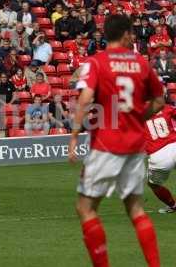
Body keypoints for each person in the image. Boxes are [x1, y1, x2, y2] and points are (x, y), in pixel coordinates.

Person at [68, 15, 164, 267]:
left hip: (106, 145)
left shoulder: (96, 62)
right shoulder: (141, 63)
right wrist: (137, 117)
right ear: (124, 34)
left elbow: (85, 98)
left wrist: (75, 136)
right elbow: (159, 101)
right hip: (135, 146)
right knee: (136, 209)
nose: (133, 37)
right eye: (131, 33)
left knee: (86, 208)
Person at [144, 104, 176, 214]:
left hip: (158, 154)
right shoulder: (165, 106)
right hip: (174, 145)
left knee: (153, 184)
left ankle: (173, 205)